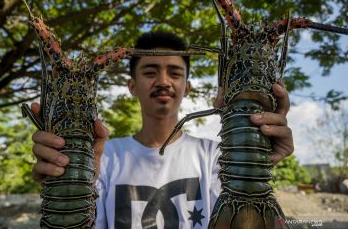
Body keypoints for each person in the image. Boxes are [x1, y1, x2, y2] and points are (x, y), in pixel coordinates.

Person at [30, 31, 294, 228]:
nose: (164, 81)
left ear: (187, 87)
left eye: (175, 73)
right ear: (131, 85)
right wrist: (67, 177)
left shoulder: (217, 156)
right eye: (150, 72)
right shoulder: (102, 159)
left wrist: (261, 148)